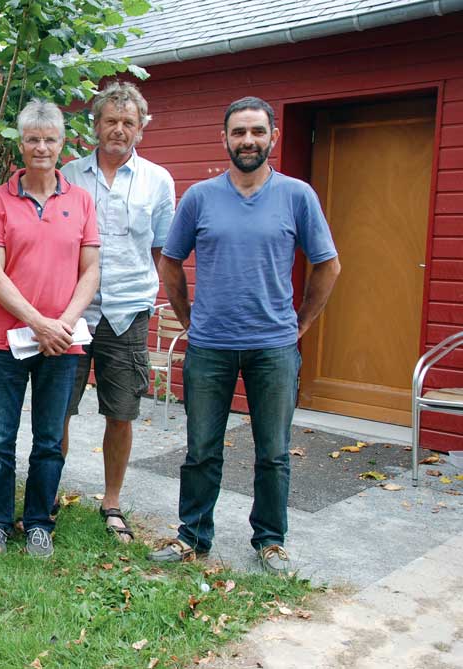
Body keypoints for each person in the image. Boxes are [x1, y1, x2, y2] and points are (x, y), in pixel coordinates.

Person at [149, 96, 340, 574]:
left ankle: (270, 541)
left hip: (273, 346)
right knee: (200, 450)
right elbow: (170, 261)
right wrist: (189, 318)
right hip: (210, 345)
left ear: (273, 136)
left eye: (257, 131)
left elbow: (328, 265)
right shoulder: (200, 197)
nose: (248, 140)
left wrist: (303, 323)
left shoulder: (298, 196)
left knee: (273, 452)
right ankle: (192, 536)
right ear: (225, 139)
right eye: (239, 133)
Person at [0, 100, 100, 558]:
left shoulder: (81, 200)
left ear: (62, 143)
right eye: (33, 139)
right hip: (5, 341)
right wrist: (39, 323)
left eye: (50, 139)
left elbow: (90, 271)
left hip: (63, 342)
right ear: (21, 143)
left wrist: (63, 324)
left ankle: (38, 524)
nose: (42, 147)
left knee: (50, 438)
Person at [60, 82, 175, 543]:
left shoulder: (158, 181)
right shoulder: (69, 175)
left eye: (128, 122)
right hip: (72, 312)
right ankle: (48, 494)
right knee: (59, 409)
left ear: (141, 128)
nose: (119, 130)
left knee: (121, 412)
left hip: (128, 312)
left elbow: (164, 248)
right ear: (96, 125)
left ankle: (111, 502)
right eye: (111, 121)